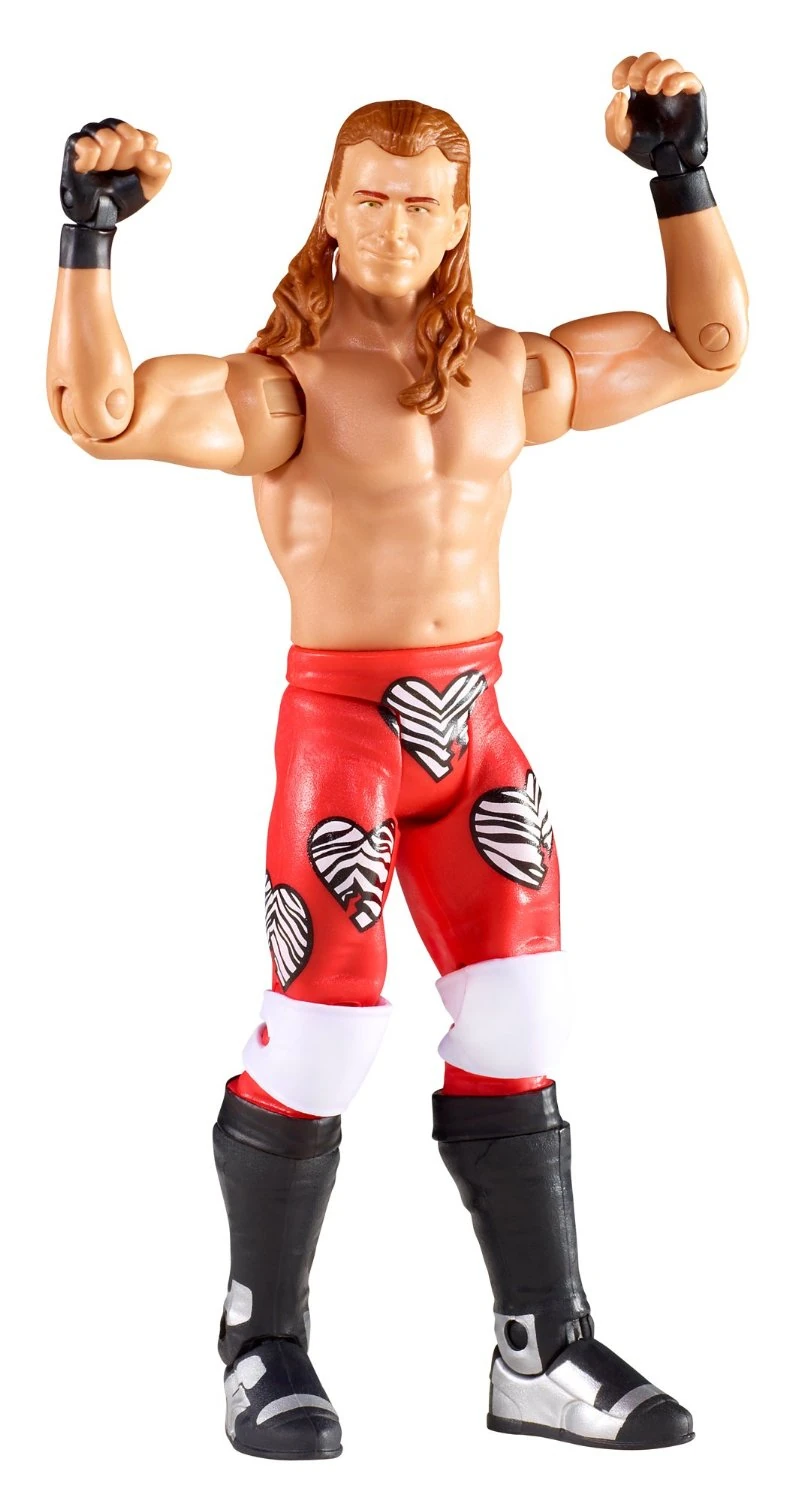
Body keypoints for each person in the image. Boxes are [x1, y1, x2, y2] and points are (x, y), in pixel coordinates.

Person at [47, 52, 747, 1460]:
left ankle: (541, 1351)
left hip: (477, 730)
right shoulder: (280, 388)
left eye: (421, 203)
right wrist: (91, 237)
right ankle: (261, 1341)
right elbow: (99, 416)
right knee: (321, 1033)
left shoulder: (512, 371)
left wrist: (679, 180)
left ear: (459, 217)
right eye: (369, 197)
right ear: (328, 204)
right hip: (344, 740)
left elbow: (707, 348)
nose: (392, 225)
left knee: (524, 1022)